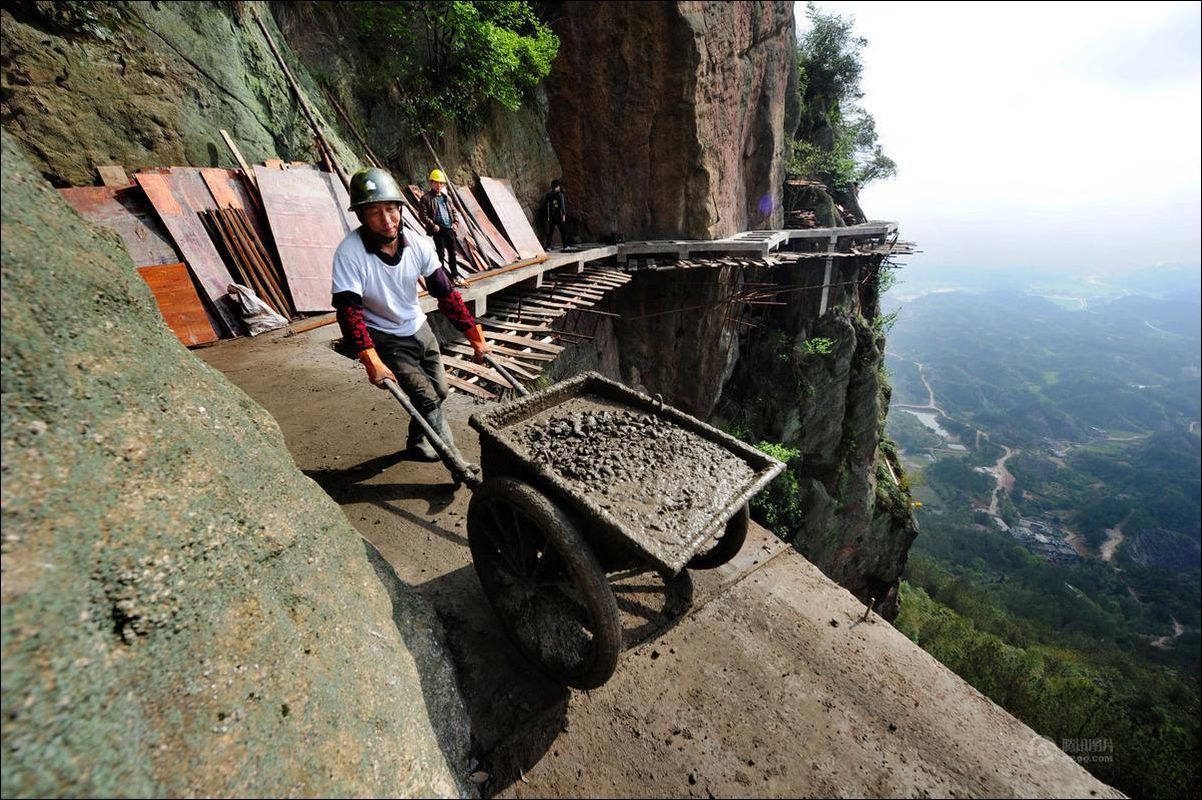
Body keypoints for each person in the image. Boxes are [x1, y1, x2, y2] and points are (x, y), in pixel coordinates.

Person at [332, 167, 489, 471]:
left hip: (418, 326)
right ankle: (457, 463)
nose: (387, 219)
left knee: (440, 391)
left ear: (400, 208)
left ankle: (417, 442)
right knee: (428, 400)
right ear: (361, 216)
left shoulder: (418, 244)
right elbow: (349, 314)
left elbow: (447, 295)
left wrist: (476, 339)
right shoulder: (349, 254)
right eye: (375, 212)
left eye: (391, 209)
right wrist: (372, 360)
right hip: (385, 336)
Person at [418, 168, 466, 287]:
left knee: (452, 253)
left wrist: (455, 223)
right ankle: (442, 277)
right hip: (438, 229)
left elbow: (454, 212)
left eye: (440, 183)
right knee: (440, 254)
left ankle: (454, 275)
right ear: (431, 183)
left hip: (449, 228)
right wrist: (432, 225)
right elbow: (422, 215)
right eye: (436, 182)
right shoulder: (426, 198)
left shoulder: (446, 198)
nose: (438, 185)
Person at [543, 178, 568, 250]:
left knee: (550, 232)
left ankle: (548, 247)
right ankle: (565, 246)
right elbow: (562, 205)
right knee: (563, 231)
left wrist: (547, 216)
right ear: (557, 186)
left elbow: (546, 204)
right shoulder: (560, 194)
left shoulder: (548, 194)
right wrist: (563, 215)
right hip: (558, 215)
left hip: (551, 216)